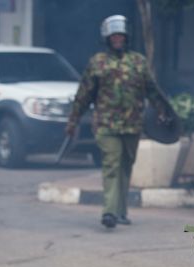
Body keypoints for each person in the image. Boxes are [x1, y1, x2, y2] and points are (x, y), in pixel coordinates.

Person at [65, 14, 168, 229]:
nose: (118, 39)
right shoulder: (97, 63)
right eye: (114, 36)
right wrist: (73, 120)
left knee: (125, 166)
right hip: (106, 125)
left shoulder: (138, 62)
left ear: (126, 36)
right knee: (112, 164)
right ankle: (109, 212)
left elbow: (152, 90)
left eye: (121, 35)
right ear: (107, 38)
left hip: (132, 124)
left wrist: (163, 112)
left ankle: (121, 211)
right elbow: (83, 95)